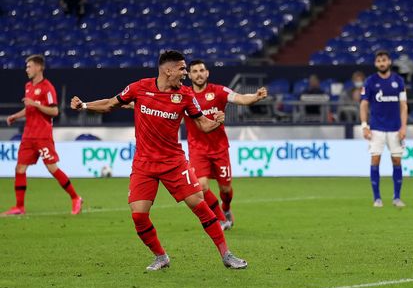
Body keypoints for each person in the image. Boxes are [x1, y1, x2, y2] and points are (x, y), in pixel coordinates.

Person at [70, 50, 247, 270]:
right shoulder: (139, 87)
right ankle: (161, 256)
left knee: (199, 206)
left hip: (174, 162)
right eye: (182, 68)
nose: (185, 73)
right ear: (168, 70)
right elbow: (110, 104)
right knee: (139, 216)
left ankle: (226, 255)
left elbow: (203, 124)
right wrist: (84, 105)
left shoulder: (185, 95)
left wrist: (217, 122)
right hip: (144, 164)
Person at [186, 60, 268, 230]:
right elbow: (160, 103)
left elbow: (239, 98)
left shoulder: (219, 91)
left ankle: (226, 208)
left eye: (202, 70)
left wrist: (255, 97)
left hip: (219, 149)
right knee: (201, 186)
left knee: (225, 189)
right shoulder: (184, 95)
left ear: (207, 73)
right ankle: (221, 218)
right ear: (189, 75)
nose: (199, 74)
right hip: (197, 149)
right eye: (194, 71)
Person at [2, 55, 83, 216]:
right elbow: (29, 109)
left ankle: (75, 198)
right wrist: (15, 116)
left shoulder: (47, 88)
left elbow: (54, 111)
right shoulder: (28, 86)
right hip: (28, 135)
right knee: (20, 168)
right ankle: (19, 207)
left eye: (29, 66)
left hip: (42, 135)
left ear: (39, 67)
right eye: (26, 67)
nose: (27, 70)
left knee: (52, 168)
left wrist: (36, 104)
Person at [360, 50, 408, 208]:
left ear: (389, 62)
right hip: (376, 128)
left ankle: (397, 198)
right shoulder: (370, 82)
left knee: (397, 160)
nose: (381, 63)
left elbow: (403, 105)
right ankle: (377, 198)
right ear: (376, 63)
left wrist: (403, 127)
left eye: (384, 60)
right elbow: (364, 104)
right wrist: (364, 126)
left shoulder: (398, 81)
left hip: (395, 128)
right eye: (379, 61)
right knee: (375, 160)